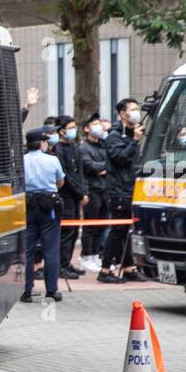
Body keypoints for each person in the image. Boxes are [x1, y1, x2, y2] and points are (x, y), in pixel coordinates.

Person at [102, 97, 146, 283]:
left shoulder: (131, 134)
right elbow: (119, 158)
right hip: (119, 191)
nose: (137, 112)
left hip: (132, 189)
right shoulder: (114, 136)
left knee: (127, 230)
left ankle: (129, 267)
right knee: (118, 230)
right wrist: (134, 141)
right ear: (122, 114)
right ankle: (105, 270)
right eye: (133, 109)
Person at [21, 128, 64, 303]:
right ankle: (52, 290)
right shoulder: (52, 160)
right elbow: (60, 181)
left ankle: (26, 291)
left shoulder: (21, 160)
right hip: (48, 206)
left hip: (28, 205)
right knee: (51, 249)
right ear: (41, 143)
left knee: (27, 250)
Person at [49, 116, 85, 279]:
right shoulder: (58, 150)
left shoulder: (74, 146)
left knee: (73, 232)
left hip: (76, 195)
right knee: (66, 232)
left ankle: (67, 262)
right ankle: (61, 265)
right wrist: (78, 193)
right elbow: (65, 177)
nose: (73, 130)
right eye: (70, 127)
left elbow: (79, 172)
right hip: (66, 196)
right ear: (61, 130)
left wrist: (83, 191)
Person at [79, 115, 110, 272]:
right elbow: (91, 166)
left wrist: (104, 169)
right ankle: (86, 256)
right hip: (92, 190)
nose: (99, 127)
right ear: (87, 128)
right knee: (90, 225)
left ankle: (96, 254)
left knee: (102, 225)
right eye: (95, 124)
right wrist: (104, 168)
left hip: (105, 189)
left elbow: (109, 163)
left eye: (100, 124)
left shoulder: (103, 145)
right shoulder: (84, 148)